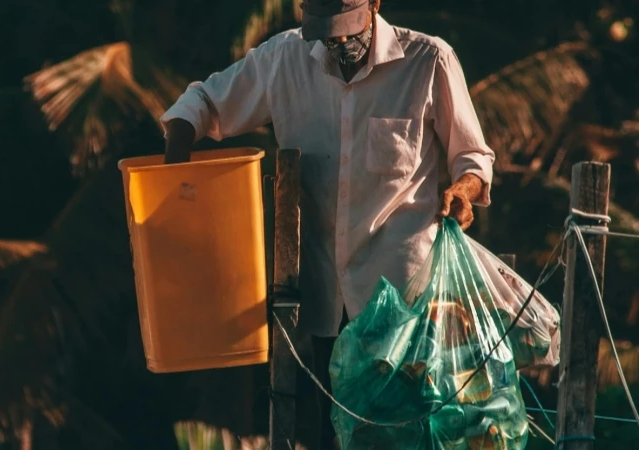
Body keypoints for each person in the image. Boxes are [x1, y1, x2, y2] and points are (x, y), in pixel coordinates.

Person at [159, 0, 494, 448]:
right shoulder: (284, 59)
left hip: (401, 301)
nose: (336, 41)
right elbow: (204, 101)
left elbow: (472, 159)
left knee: (405, 431)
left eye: (345, 28)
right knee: (332, 432)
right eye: (324, 30)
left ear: (374, 5)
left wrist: (462, 192)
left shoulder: (428, 61)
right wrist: (176, 155)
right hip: (325, 300)